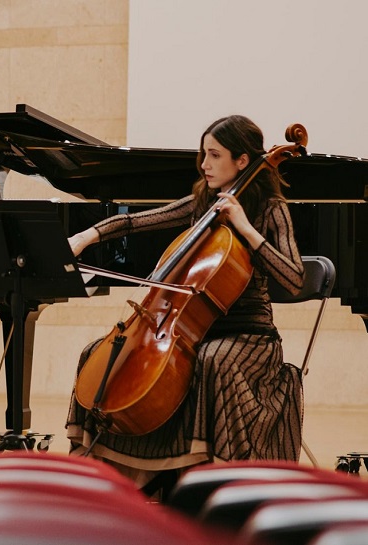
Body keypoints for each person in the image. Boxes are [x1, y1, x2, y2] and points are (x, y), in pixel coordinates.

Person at [66, 115, 306, 497]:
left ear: (242, 161)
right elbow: (137, 222)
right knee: (97, 352)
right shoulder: (202, 204)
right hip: (188, 330)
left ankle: (213, 483)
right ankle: (118, 471)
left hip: (249, 336)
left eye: (214, 155)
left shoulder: (270, 208)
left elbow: (294, 279)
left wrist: (244, 227)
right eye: (203, 154)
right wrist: (84, 237)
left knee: (213, 361)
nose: (204, 164)